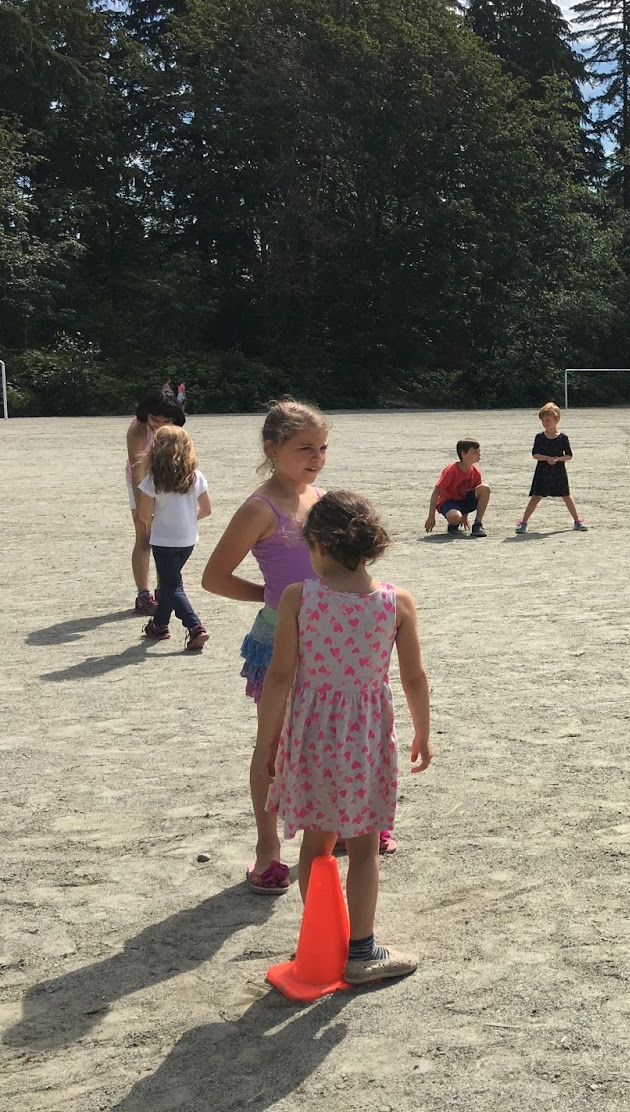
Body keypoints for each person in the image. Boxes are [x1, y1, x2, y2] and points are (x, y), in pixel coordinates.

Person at [202, 399, 392, 894]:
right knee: (277, 744)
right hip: (283, 639)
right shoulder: (258, 507)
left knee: (334, 734)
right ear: (272, 449)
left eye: (323, 447)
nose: (317, 457)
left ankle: (342, 825)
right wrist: (274, 600)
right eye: (305, 448)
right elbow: (213, 577)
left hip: (336, 640)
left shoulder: (322, 498)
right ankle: (268, 849)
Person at [257, 491, 432, 985]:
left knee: (315, 846)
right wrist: (423, 730)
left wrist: (267, 743)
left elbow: (280, 677)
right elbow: (414, 677)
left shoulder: (299, 597)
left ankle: (324, 941)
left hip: (312, 736)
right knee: (362, 849)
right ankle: (361, 949)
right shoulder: (396, 602)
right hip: (366, 739)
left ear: (316, 545)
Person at [135, 425, 211, 650]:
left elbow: (143, 515)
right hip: (188, 540)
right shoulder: (196, 477)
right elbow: (206, 509)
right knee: (168, 585)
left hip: (163, 540)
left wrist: (156, 521)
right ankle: (159, 624)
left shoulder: (153, 479)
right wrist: (188, 518)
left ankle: (195, 626)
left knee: (173, 585)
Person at [125, 391, 185, 613]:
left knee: (166, 538)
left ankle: (165, 588)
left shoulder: (176, 427)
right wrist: (143, 506)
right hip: (141, 483)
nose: (159, 425)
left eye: (165, 421)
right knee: (145, 536)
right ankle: (143, 595)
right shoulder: (137, 429)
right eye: (155, 420)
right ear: (146, 415)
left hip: (167, 482)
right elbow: (137, 470)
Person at [516, 403, 587, 532]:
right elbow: (535, 454)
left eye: (547, 419)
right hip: (542, 471)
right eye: (543, 420)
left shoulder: (563, 438)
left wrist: (558, 459)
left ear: (556, 419)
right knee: (536, 496)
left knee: (566, 495)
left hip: (558, 471)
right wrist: (547, 458)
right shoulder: (539, 437)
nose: (545, 422)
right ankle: (523, 523)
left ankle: (577, 520)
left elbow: (569, 455)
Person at [426, 439, 491, 537]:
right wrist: (431, 517)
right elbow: (436, 492)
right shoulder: (451, 470)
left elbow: (471, 493)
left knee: (485, 488)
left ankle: (478, 524)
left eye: (479, 452)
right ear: (464, 454)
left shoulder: (476, 472)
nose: (479, 455)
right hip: (449, 503)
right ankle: (453, 525)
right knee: (455, 517)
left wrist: (465, 516)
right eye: (475, 452)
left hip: (463, 501)